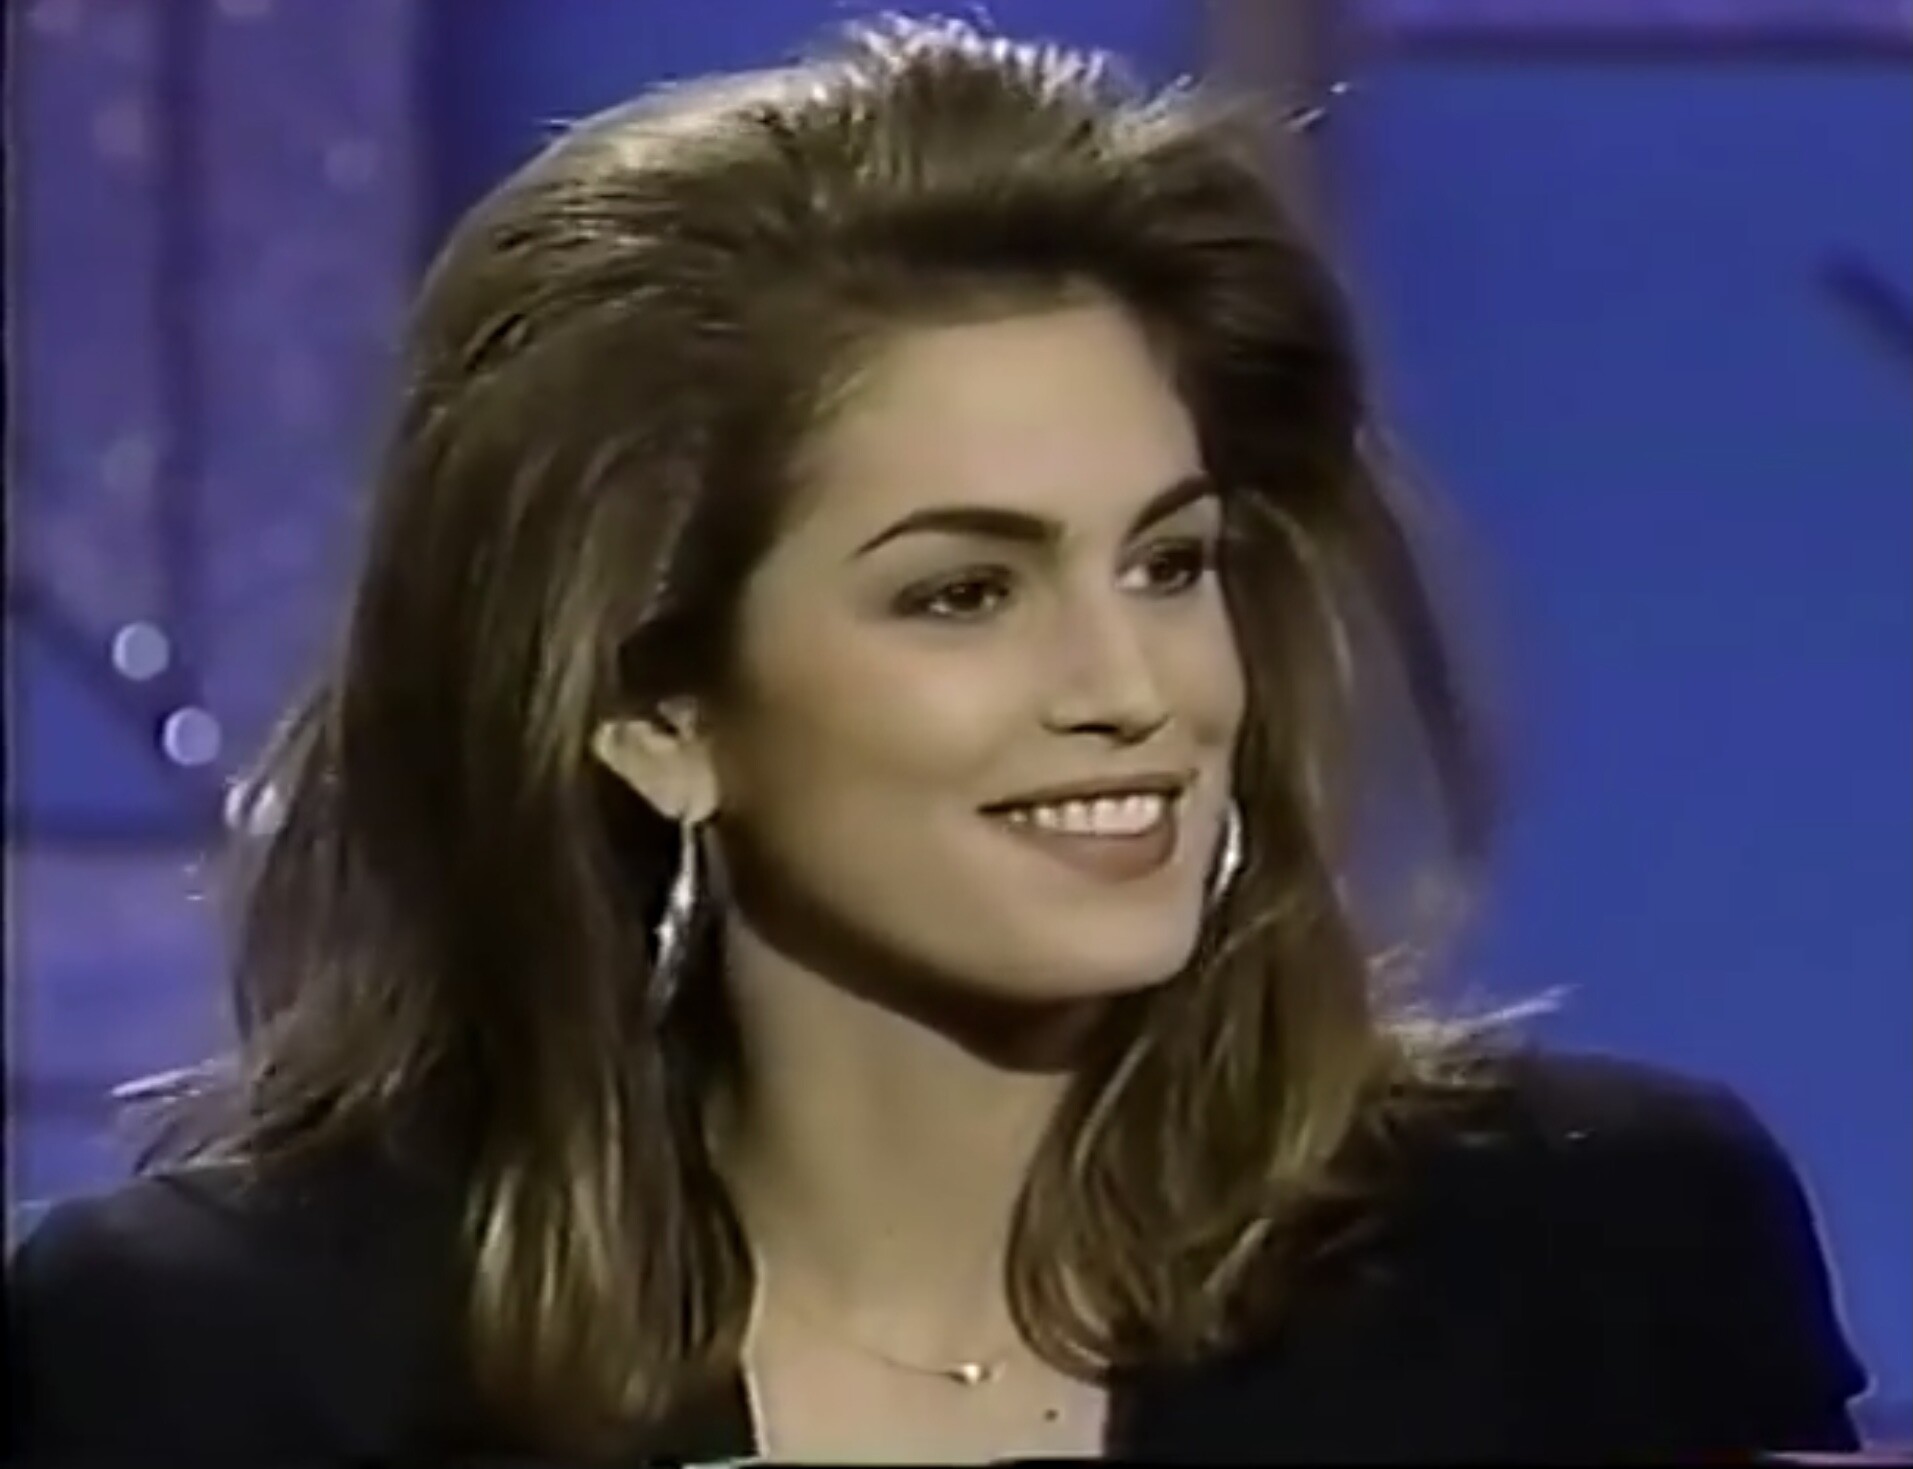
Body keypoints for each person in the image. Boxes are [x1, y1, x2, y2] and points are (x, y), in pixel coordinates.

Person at [6, 17, 1868, 1466]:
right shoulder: (233, 1360)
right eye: (964, 592)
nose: (1131, 683)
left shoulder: (1592, 1258)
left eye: (1168, 562)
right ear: (655, 712)